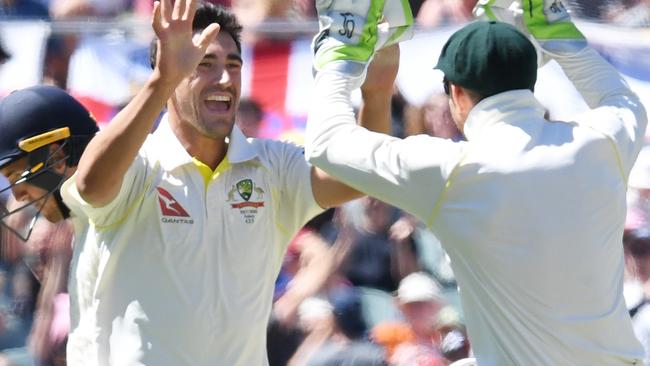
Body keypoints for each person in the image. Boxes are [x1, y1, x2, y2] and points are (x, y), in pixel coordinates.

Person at [54, 1, 398, 364]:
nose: (224, 79)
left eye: (233, 66)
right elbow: (91, 184)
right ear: (168, 73)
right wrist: (162, 80)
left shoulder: (272, 166)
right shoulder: (138, 165)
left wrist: (376, 93)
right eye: (204, 64)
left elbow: (361, 177)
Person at [306, 0, 647, 364]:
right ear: (530, 79)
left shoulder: (451, 171)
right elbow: (624, 100)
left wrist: (344, 50)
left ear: (456, 93)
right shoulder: (604, 141)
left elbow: (326, 144)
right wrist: (556, 29)